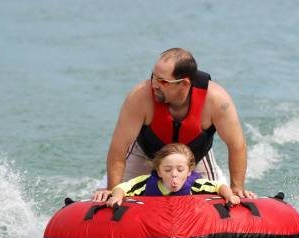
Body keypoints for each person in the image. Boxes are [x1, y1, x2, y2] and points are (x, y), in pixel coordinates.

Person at [93, 48, 255, 202]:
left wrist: (236, 188)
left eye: (162, 81)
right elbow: (118, 147)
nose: (154, 84)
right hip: (144, 153)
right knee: (112, 195)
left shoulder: (216, 100)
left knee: (219, 199)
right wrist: (112, 189)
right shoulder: (139, 97)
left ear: (184, 84)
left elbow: (236, 145)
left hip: (194, 158)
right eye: (153, 76)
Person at [106, 143, 240, 207]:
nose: (174, 174)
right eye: (168, 170)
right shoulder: (146, 183)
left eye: (180, 170)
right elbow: (123, 188)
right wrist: (116, 197)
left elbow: (219, 186)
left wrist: (229, 196)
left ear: (188, 172)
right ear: (159, 172)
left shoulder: (195, 184)